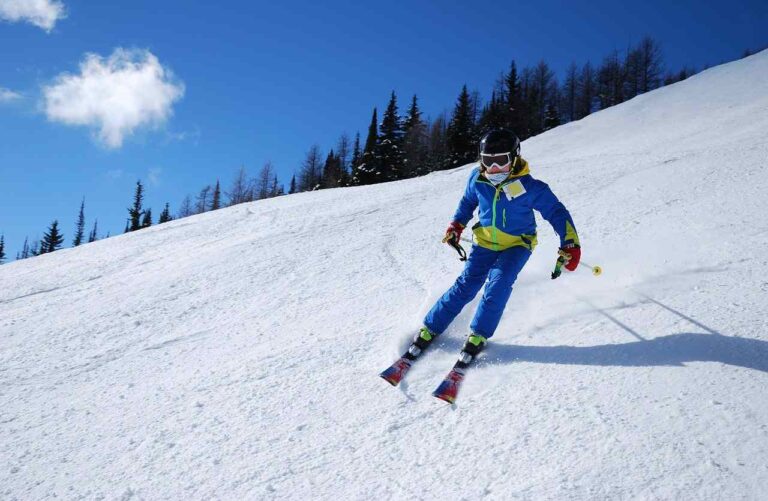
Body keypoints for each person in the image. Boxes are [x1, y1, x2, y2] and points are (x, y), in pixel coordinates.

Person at [407, 128, 581, 367]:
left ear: (515, 157)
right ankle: (430, 328)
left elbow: (556, 212)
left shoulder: (531, 187)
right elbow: (468, 202)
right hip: (485, 242)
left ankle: (478, 335)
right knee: (466, 285)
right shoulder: (477, 179)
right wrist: (457, 225)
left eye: (501, 160)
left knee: (498, 284)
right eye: (488, 161)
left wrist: (570, 243)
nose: (495, 168)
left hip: (518, 244)